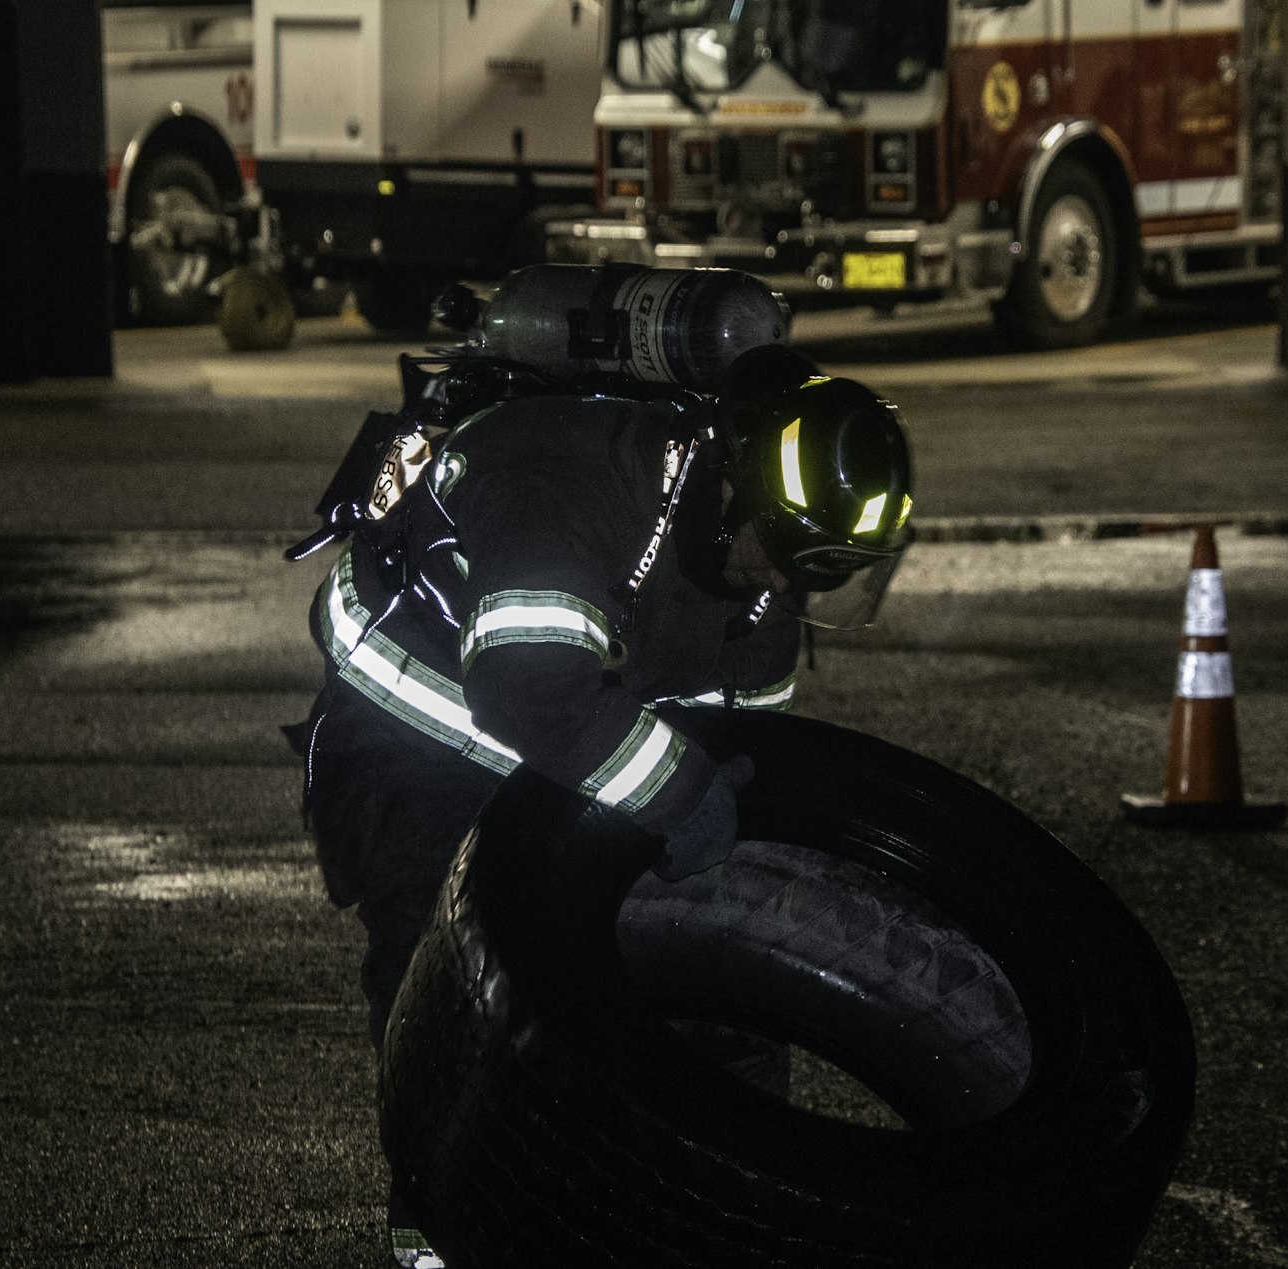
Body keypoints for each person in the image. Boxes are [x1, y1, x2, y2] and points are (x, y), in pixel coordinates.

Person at [293, 343, 914, 1268]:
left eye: (819, 578)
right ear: (736, 492)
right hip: (413, 735)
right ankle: (435, 1230)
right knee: (451, 982)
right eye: (784, 562)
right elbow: (526, 692)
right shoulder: (571, 483)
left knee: (656, 981)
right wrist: (678, 790)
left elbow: (725, 748)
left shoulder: (767, 574)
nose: (790, 592)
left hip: (564, 749)